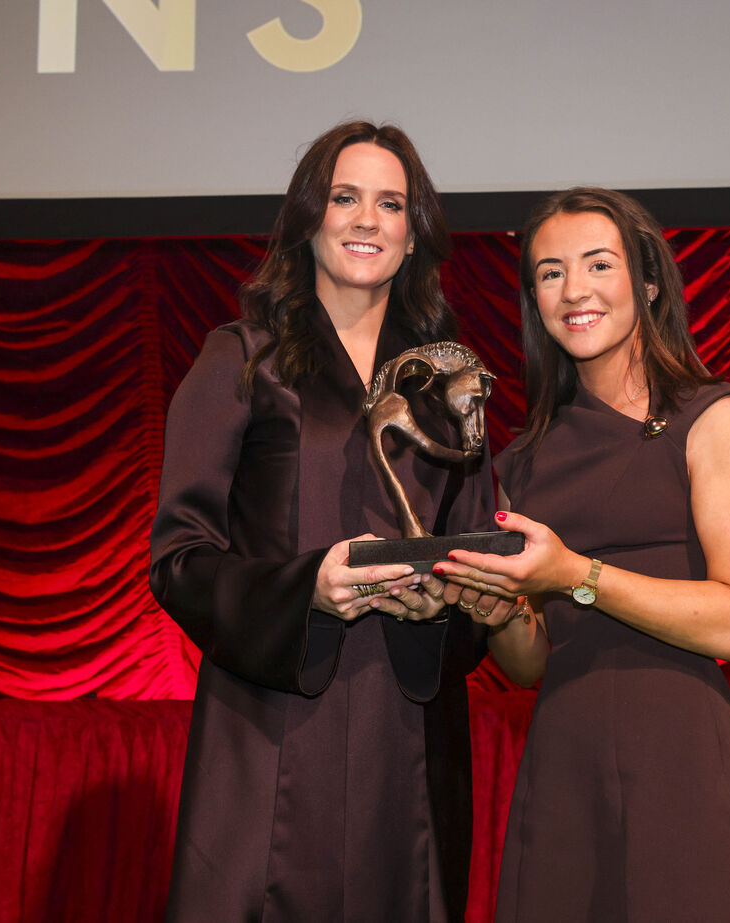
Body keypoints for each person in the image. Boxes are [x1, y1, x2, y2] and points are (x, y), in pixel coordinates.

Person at [150, 121, 503, 923]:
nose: (366, 220)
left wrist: (446, 605)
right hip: (269, 725)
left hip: (409, 732)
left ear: (414, 236)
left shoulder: (451, 382)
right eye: (345, 197)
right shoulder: (239, 359)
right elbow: (178, 557)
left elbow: (483, 561)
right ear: (309, 216)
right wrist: (307, 586)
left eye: (391, 204)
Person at [434, 187, 730, 921]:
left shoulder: (715, 419)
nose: (575, 290)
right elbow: (535, 662)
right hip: (565, 766)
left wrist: (576, 574)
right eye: (550, 272)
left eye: (598, 264)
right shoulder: (526, 458)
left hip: (682, 761)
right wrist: (496, 607)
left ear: (648, 283)